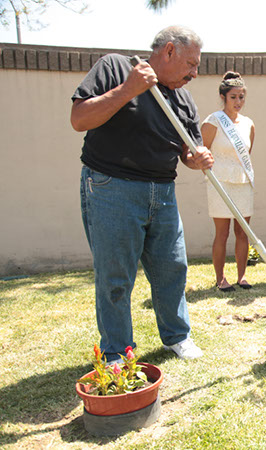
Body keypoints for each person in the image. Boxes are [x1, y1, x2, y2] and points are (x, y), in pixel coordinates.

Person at [70, 26, 214, 362]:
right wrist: (128, 90)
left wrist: (197, 158)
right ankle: (117, 351)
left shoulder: (183, 98)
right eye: (191, 64)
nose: (195, 73)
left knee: (172, 268)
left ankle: (177, 336)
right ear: (168, 51)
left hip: (163, 192)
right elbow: (79, 119)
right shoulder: (117, 69)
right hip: (111, 187)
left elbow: (189, 150)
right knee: (116, 275)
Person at [201, 72, 256, 292]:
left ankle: (242, 276)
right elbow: (202, 152)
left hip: (242, 183)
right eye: (233, 97)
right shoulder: (213, 121)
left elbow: (247, 152)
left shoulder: (249, 124)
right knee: (222, 233)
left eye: (241, 97)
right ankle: (221, 278)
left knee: (242, 232)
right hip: (220, 182)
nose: (238, 102)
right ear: (223, 97)